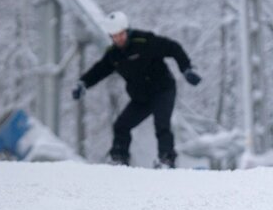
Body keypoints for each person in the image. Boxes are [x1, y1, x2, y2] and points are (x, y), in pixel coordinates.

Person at [72, 11, 201, 168]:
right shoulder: (114, 55)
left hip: (163, 89)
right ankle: (119, 159)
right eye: (114, 36)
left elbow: (173, 48)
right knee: (121, 125)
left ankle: (166, 159)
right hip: (142, 98)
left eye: (121, 34)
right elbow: (99, 70)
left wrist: (186, 69)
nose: (118, 39)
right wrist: (83, 83)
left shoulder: (145, 41)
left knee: (162, 124)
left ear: (127, 31)